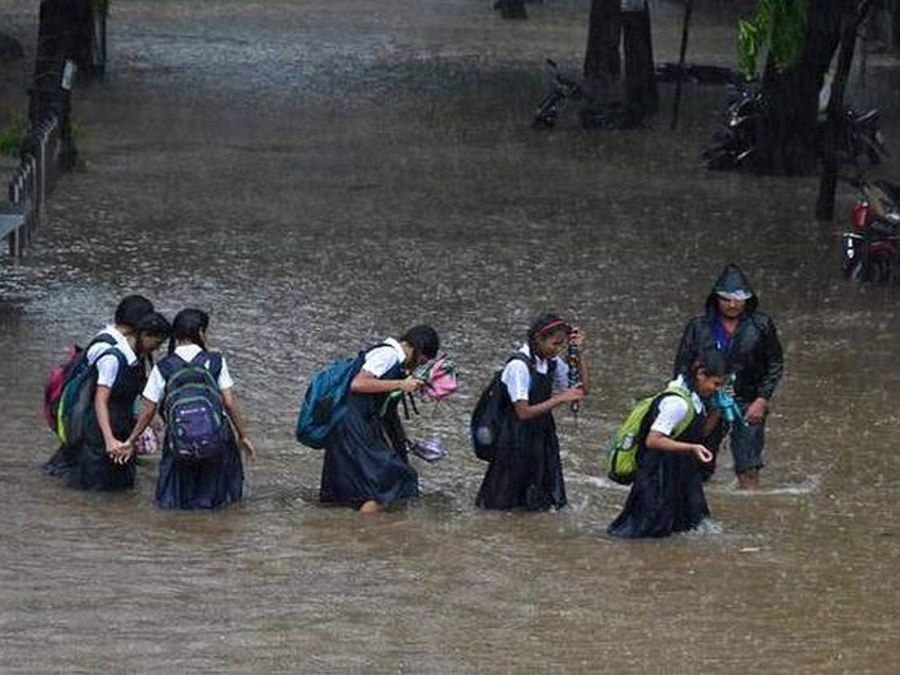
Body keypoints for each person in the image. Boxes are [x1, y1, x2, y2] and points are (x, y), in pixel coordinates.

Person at [121, 308, 255, 510]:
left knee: (178, 501)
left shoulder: (163, 367)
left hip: (179, 437)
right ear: (200, 332)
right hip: (217, 438)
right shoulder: (216, 361)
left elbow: (148, 411)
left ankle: (182, 533)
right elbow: (228, 402)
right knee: (217, 502)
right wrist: (243, 435)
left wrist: (130, 441)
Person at [673, 263, 784, 489]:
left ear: (747, 300)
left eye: (738, 299)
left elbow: (775, 363)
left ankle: (750, 511)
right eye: (726, 299)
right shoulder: (698, 326)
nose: (732, 305)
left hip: (748, 399)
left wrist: (762, 400)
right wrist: (686, 402)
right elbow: (683, 366)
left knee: (748, 465)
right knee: (698, 462)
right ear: (716, 298)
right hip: (706, 400)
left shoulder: (760, 325)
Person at [44, 295, 161, 490]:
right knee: (88, 480)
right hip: (94, 425)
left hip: (108, 424)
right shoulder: (107, 349)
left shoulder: (128, 347)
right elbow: (101, 395)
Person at [320, 325, 440, 514]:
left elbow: (385, 409)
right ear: (417, 348)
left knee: (349, 489)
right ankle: (367, 529)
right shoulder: (388, 355)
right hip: (351, 425)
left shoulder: (394, 361)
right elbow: (358, 383)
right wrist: (401, 384)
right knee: (393, 478)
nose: (419, 365)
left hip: (349, 424)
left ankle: (347, 530)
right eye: (422, 361)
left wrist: (405, 441)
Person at [608, 350, 727, 538]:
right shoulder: (676, 403)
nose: (717, 389)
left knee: (690, 529)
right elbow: (653, 440)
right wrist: (692, 448)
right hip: (659, 476)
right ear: (701, 374)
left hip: (681, 475)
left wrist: (718, 411)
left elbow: (700, 433)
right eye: (716, 384)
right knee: (645, 533)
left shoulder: (696, 399)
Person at [476, 314, 589, 511]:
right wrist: (559, 399)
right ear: (538, 338)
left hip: (541, 436)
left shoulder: (551, 362)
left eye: (562, 345)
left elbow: (581, 390)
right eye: (555, 344)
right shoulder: (519, 366)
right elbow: (523, 412)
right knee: (503, 499)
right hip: (514, 438)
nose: (558, 350)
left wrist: (577, 355)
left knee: (538, 499)